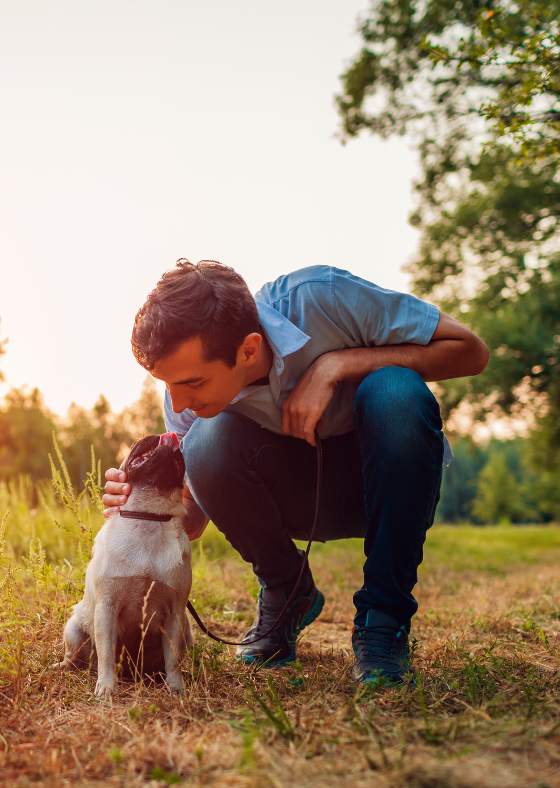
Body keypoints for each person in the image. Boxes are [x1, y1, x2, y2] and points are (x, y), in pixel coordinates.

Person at [101, 260, 489, 683]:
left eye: (193, 383)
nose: (177, 403)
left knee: (395, 390)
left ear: (248, 350)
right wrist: (143, 503)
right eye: (167, 384)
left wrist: (336, 366)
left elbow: (470, 351)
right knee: (205, 439)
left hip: (388, 486)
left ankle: (383, 621)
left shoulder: (323, 297)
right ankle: (288, 592)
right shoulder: (185, 401)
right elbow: (193, 520)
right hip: (296, 497)